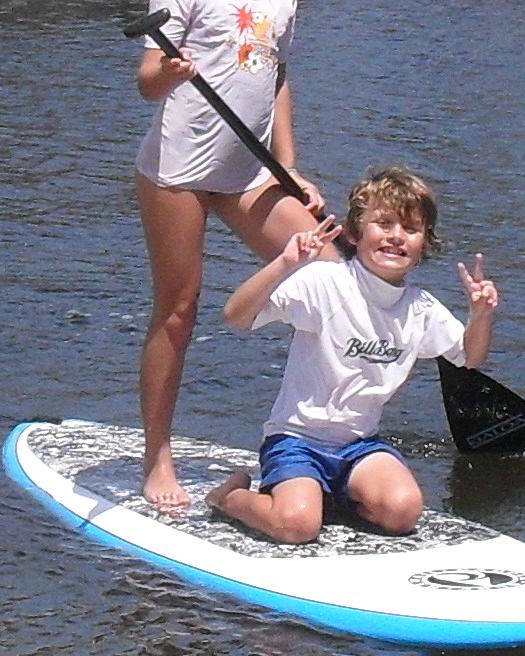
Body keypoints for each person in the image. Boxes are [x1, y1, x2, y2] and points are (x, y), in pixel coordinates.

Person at [134, 0, 335, 510]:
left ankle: (315, 441)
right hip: (179, 171)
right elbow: (146, 82)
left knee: (332, 274)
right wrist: (173, 71)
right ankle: (157, 458)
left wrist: (290, 163)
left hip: (248, 169)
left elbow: (274, 74)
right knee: (180, 309)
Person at [206, 167, 498, 544]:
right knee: (297, 526)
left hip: (359, 445)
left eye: (410, 229)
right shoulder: (326, 283)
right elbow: (236, 316)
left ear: (425, 243)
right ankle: (231, 497)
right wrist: (284, 264)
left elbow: (469, 358)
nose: (395, 237)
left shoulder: (420, 308)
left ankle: (327, 497)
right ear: (356, 233)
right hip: (297, 440)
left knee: (403, 512)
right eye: (384, 224)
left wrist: (481, 316)